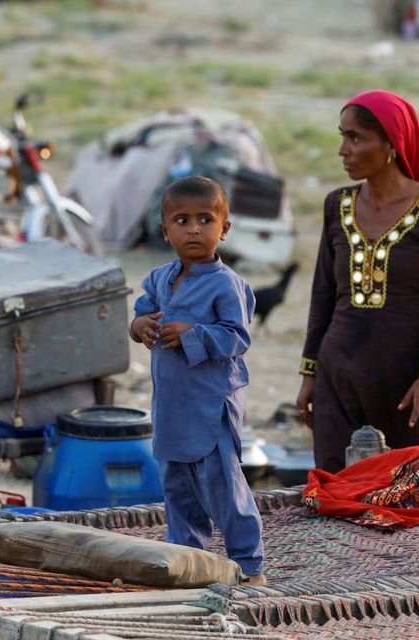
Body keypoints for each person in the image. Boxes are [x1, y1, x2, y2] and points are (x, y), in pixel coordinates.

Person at [296, 89, 419, 474]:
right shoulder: (336, 205)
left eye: (356, 137)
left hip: (408, 383)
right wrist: (310, 373)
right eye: (342, 135)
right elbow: (323, 295)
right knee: (339, 494)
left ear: (392, 144)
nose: (343, 149)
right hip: (338, 377)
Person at [130, 175, 266, 586]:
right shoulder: (158, 278)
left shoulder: (227, 284)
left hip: (211, 404)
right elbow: (141, 312)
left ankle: (249, 564)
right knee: (178, 487)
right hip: (172, 405)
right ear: (164, 229)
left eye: (205, 219)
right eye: (182, 220)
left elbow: (237, 336)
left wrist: (192, 334)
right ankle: (188, 561)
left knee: (222, 483)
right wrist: (140, 326)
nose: (194, 228)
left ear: (224, 229)